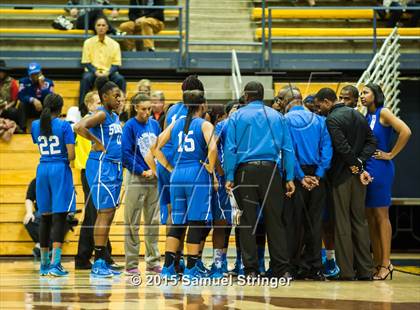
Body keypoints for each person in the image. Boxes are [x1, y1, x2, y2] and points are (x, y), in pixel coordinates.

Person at [224, 81, 296, 278]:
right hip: (272, 171)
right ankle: (283, 270)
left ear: (246, 96)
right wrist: (289, 177)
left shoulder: (237, 116)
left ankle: (251, 270)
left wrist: (229, 175)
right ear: (263, 95)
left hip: (245, 171)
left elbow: (230, 148)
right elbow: (287, 148)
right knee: (276, 221)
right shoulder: (277, 116)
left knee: (247, 221)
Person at [155, 90, 218, 280]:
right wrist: (210, 166)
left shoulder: (175, 124)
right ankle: (191, 268)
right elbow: (213, 147)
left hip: (177, 175)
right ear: (202, 105)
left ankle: (168, 268)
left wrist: (168, 166)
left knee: (178, 222)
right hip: (196, 174)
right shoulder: (205, 124)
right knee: (196, 222)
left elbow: (155, 146)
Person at [316, 87, 376, 280]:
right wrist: (359, 163)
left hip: (342, 177)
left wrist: (354, 164)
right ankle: (366, 270)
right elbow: (372, 142)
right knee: (359, 222)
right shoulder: (358, 115)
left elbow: (341, 146)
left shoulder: (332, 119)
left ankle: (347, 272)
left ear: (327, 102)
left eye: (320, 105)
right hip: (358, 177)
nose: (319, 110)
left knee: (342, 223)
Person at [361, 83, 411, 280]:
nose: (362, 96)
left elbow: (406, 131)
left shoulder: (384, 112)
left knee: (381, 215)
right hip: (367, 168)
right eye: (361, 93)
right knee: (370, 217)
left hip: (381, 168)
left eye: (366, 92)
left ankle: (386, 263)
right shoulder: (365, 116)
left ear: (376, 94)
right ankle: (376, 262)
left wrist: (391, 154)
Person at [74, 79, 123, 278]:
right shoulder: (101, 113)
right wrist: (96, 142)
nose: (119, 99)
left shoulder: (112, 116)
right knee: (103, 213)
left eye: (120, 96)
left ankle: (103, 259)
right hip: (101, 165)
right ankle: (99, 262)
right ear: (105, 98)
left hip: (113, 167)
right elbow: (78, 127)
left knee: (108, 213)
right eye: (116, 96)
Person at [284, 88, 333, 280]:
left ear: (288, 102)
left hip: (297, 177)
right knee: (315, 223)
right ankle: (315, 267)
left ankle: (292, 267)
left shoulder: (285, 120)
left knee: (294, 223)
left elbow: (287, 151)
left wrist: (301, 176)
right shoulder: (320, 121)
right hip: (318, 177)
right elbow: (327, 151)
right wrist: (318, 175)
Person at [31, 93, 76, 277]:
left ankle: (43, 265)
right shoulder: (65, 126)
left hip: (42, 169)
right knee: (59, 217)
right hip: (59, 169)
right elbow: (71, 156)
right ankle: (55, 264)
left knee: (45, 217)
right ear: (60, 108)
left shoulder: (35, 125)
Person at [122, 93, 162, 276]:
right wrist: (141, 170)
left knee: (153, 221)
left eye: (149, 109)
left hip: (153, 178)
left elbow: (159, 149)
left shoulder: (154, 124)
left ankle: (153, 261)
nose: (147, 112)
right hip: (136, 178)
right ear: (136, 108)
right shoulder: (129, 126)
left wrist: (157, 169)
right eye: (144, 109)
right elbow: (126, 154)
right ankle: (131, 264)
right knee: (132, 221)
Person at [79, 17, 126, 116]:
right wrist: (95, 71)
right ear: (95, 27)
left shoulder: (114, 44)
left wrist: (108, 72)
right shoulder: (88, 42)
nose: (101, 27)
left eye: (103, 25)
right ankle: (82, 110)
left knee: (120, 79)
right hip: (93, 72)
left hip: (109, 72)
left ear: (107, 27)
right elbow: (86, 62)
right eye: (98, 25)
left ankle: (120, 108)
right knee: (85, 79)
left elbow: (117, 64)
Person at [18, 63, 54, 131]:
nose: (35, 76)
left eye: (37, 73)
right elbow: (21, 96)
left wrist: (42, 86)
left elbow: (50, 98)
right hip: (30, 108)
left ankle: (48, 130)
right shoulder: (23, 82)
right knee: (22, 104)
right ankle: (22, 129)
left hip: (43, 109)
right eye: (32, 74)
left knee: (50, 105)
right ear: (29, 75)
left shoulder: (49, 82)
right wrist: (33, 100)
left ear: (41, 72)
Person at [0, 60, 20, 126]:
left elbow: (14, 101)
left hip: (7, 107)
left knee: (14, 112)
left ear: (5, 72)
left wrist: (5, 107)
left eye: (2, 71)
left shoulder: (12, 82)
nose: (0, 73)